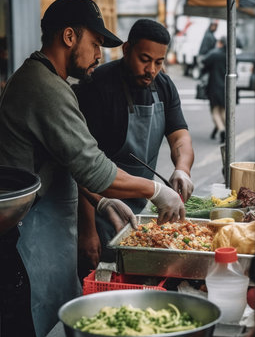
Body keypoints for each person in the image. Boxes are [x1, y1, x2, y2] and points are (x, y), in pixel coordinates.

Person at [0, 0, 185, 337]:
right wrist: (158, 191)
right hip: (23, 240)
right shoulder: (43, 86)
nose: (98, 55)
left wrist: (102, 200)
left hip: (43, 234)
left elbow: (68, 161)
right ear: (69, 36)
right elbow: (95, 168)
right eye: (95, 44)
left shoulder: (48, 80)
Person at [72, 19, 194, 275]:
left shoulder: (164, 86)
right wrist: (87, 230)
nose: (151, 69)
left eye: (159, 63)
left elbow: (180, 137)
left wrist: (182, 169)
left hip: (143, 203)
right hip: (99, 207)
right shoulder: (98, 86)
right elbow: (78, 165)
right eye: (145, 59)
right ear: (127, 49)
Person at [201, 36, 227, 144]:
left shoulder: (214, 54)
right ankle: (224, 130)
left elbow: (204, 62)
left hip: (214, 86)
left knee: (215, 111)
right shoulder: (230, 55)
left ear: (220, 43)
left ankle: (221, 130)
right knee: (224, 111)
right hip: (227, 87)